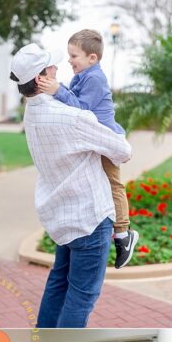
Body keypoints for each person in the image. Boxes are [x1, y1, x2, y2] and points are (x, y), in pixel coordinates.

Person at [9, 43, 132, 328]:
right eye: (51, 67)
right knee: (82, 296)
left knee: (58, 285)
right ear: (41, 78)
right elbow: (123, 151)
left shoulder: (32, 115)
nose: (57, 68)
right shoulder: (71, 117)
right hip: (90, 219)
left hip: (61, 218)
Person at [35, 28, 138, 268]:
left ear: (92, 58)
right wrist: (59, 90)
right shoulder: (81, 76)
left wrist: (57, 91)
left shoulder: (95, 78)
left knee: (113, 184)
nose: (69, 61)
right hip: (92, 141)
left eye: (74, 56)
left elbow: (82, 110)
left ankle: (123, 235)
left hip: (105, 141)